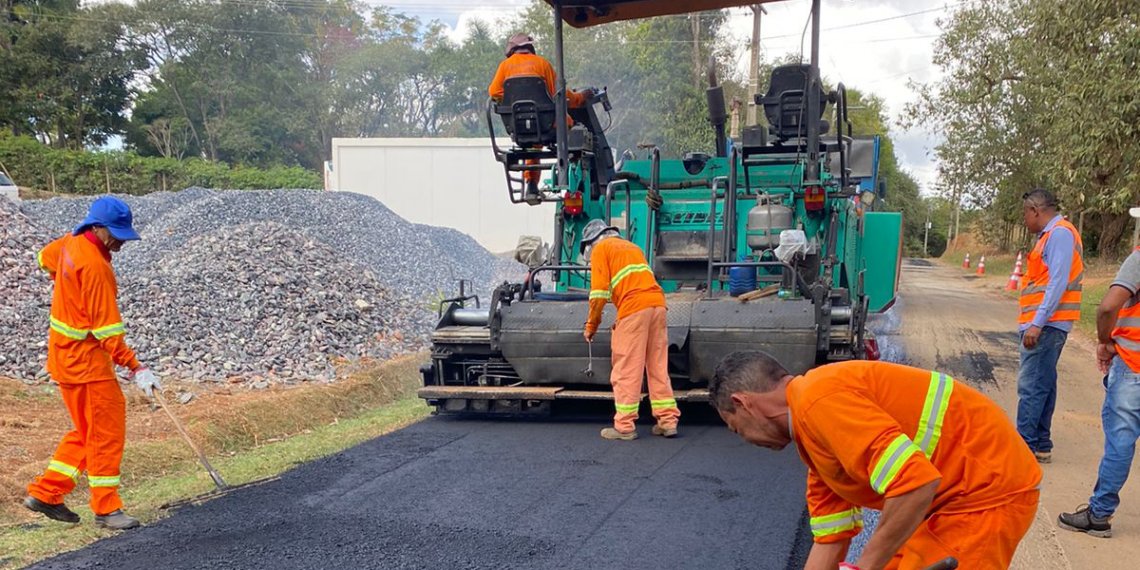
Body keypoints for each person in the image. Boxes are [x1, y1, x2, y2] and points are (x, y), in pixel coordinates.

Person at [711, 353, 1042, 569]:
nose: (746, 439)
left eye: (735, 427)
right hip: (945, 503)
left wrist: (865, 568)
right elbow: (831, 539)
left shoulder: (819, 400)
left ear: (745, 403)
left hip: (986, 491)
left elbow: (915, 485)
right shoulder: (815, 448)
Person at [23, 196, 161, 531]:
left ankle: (46, 493)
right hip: (87, 366)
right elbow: (109, 333)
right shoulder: (96, 268)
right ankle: (107, 509)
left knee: (86, 431)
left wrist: (67, 283)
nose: (119, 242)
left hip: (63, 359)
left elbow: (44, 259)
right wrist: (137, 368)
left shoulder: (68, 244)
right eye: (114, 234)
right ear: (96, 228)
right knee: (106, 433)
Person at [1058, 245, 1140, 538]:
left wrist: (1105, 342)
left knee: (1121, 442)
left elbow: (1108, 306)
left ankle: (1099, 515)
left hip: (1134, 365)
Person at [581, 219, 679, 440]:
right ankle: (668, 421)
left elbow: (598, 295)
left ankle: (624, 426)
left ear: (591, 243)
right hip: (658, 306)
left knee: (627, 368)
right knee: (657, 366)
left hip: (634, 309)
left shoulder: (601, 250)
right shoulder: (632, 247)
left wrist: (591, 327)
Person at [1017, 187, 1084, 463]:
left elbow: (1057, 282)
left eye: (1025, 214)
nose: (1025, 221)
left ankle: (1023, 449)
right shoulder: (1053, 235)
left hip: (1046, 325)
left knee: (1032, 385)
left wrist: (1037, 323)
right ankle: (1041, 443)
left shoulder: (1059, 234)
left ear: (1035, 211)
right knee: (1044, 382)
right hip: (1048, 324)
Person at [488, 33, 593, 198]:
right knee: (576, 129)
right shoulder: (543, 64)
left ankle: (531, 184)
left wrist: (512, 97)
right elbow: (559, 93)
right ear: (530, 47)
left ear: (512, 49)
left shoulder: (505, 66)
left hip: (518, 127)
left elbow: (494, 91)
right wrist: (580, 97)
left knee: (534, 143)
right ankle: (577, 180)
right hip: (548, 126)